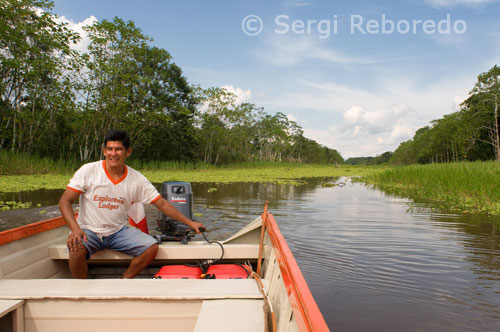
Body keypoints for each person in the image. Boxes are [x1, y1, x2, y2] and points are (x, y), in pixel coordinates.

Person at [58, 129, 205, 279]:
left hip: (117, 232)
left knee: (151, 247)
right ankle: (82, 288)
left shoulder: (137, 179)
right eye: (109, 149)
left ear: (128, 152)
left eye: (118, 149)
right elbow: (65, 201)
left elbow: (161, 203)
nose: (113, 153)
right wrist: (75, 229)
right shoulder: (89, 170)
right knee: (76, 248)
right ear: (104, 151)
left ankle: (124, 281)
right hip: (89, 230)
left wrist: (190, 223)